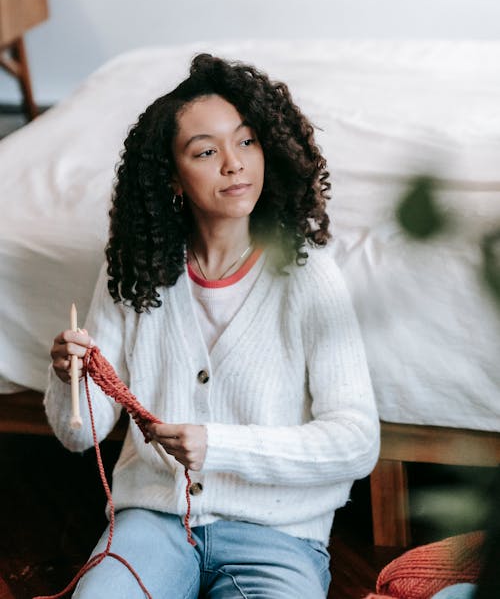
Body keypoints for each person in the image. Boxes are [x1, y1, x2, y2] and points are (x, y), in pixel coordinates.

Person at [45, 53, 380, 599]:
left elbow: (357, 442)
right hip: (151, 523)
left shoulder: (308, 273)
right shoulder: (134, 268)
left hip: (278, 536)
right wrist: (69, 378)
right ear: (174, 180)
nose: (234, 163)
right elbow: (80, 433)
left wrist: (218, 446)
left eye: (246, 141)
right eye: (206, 151)